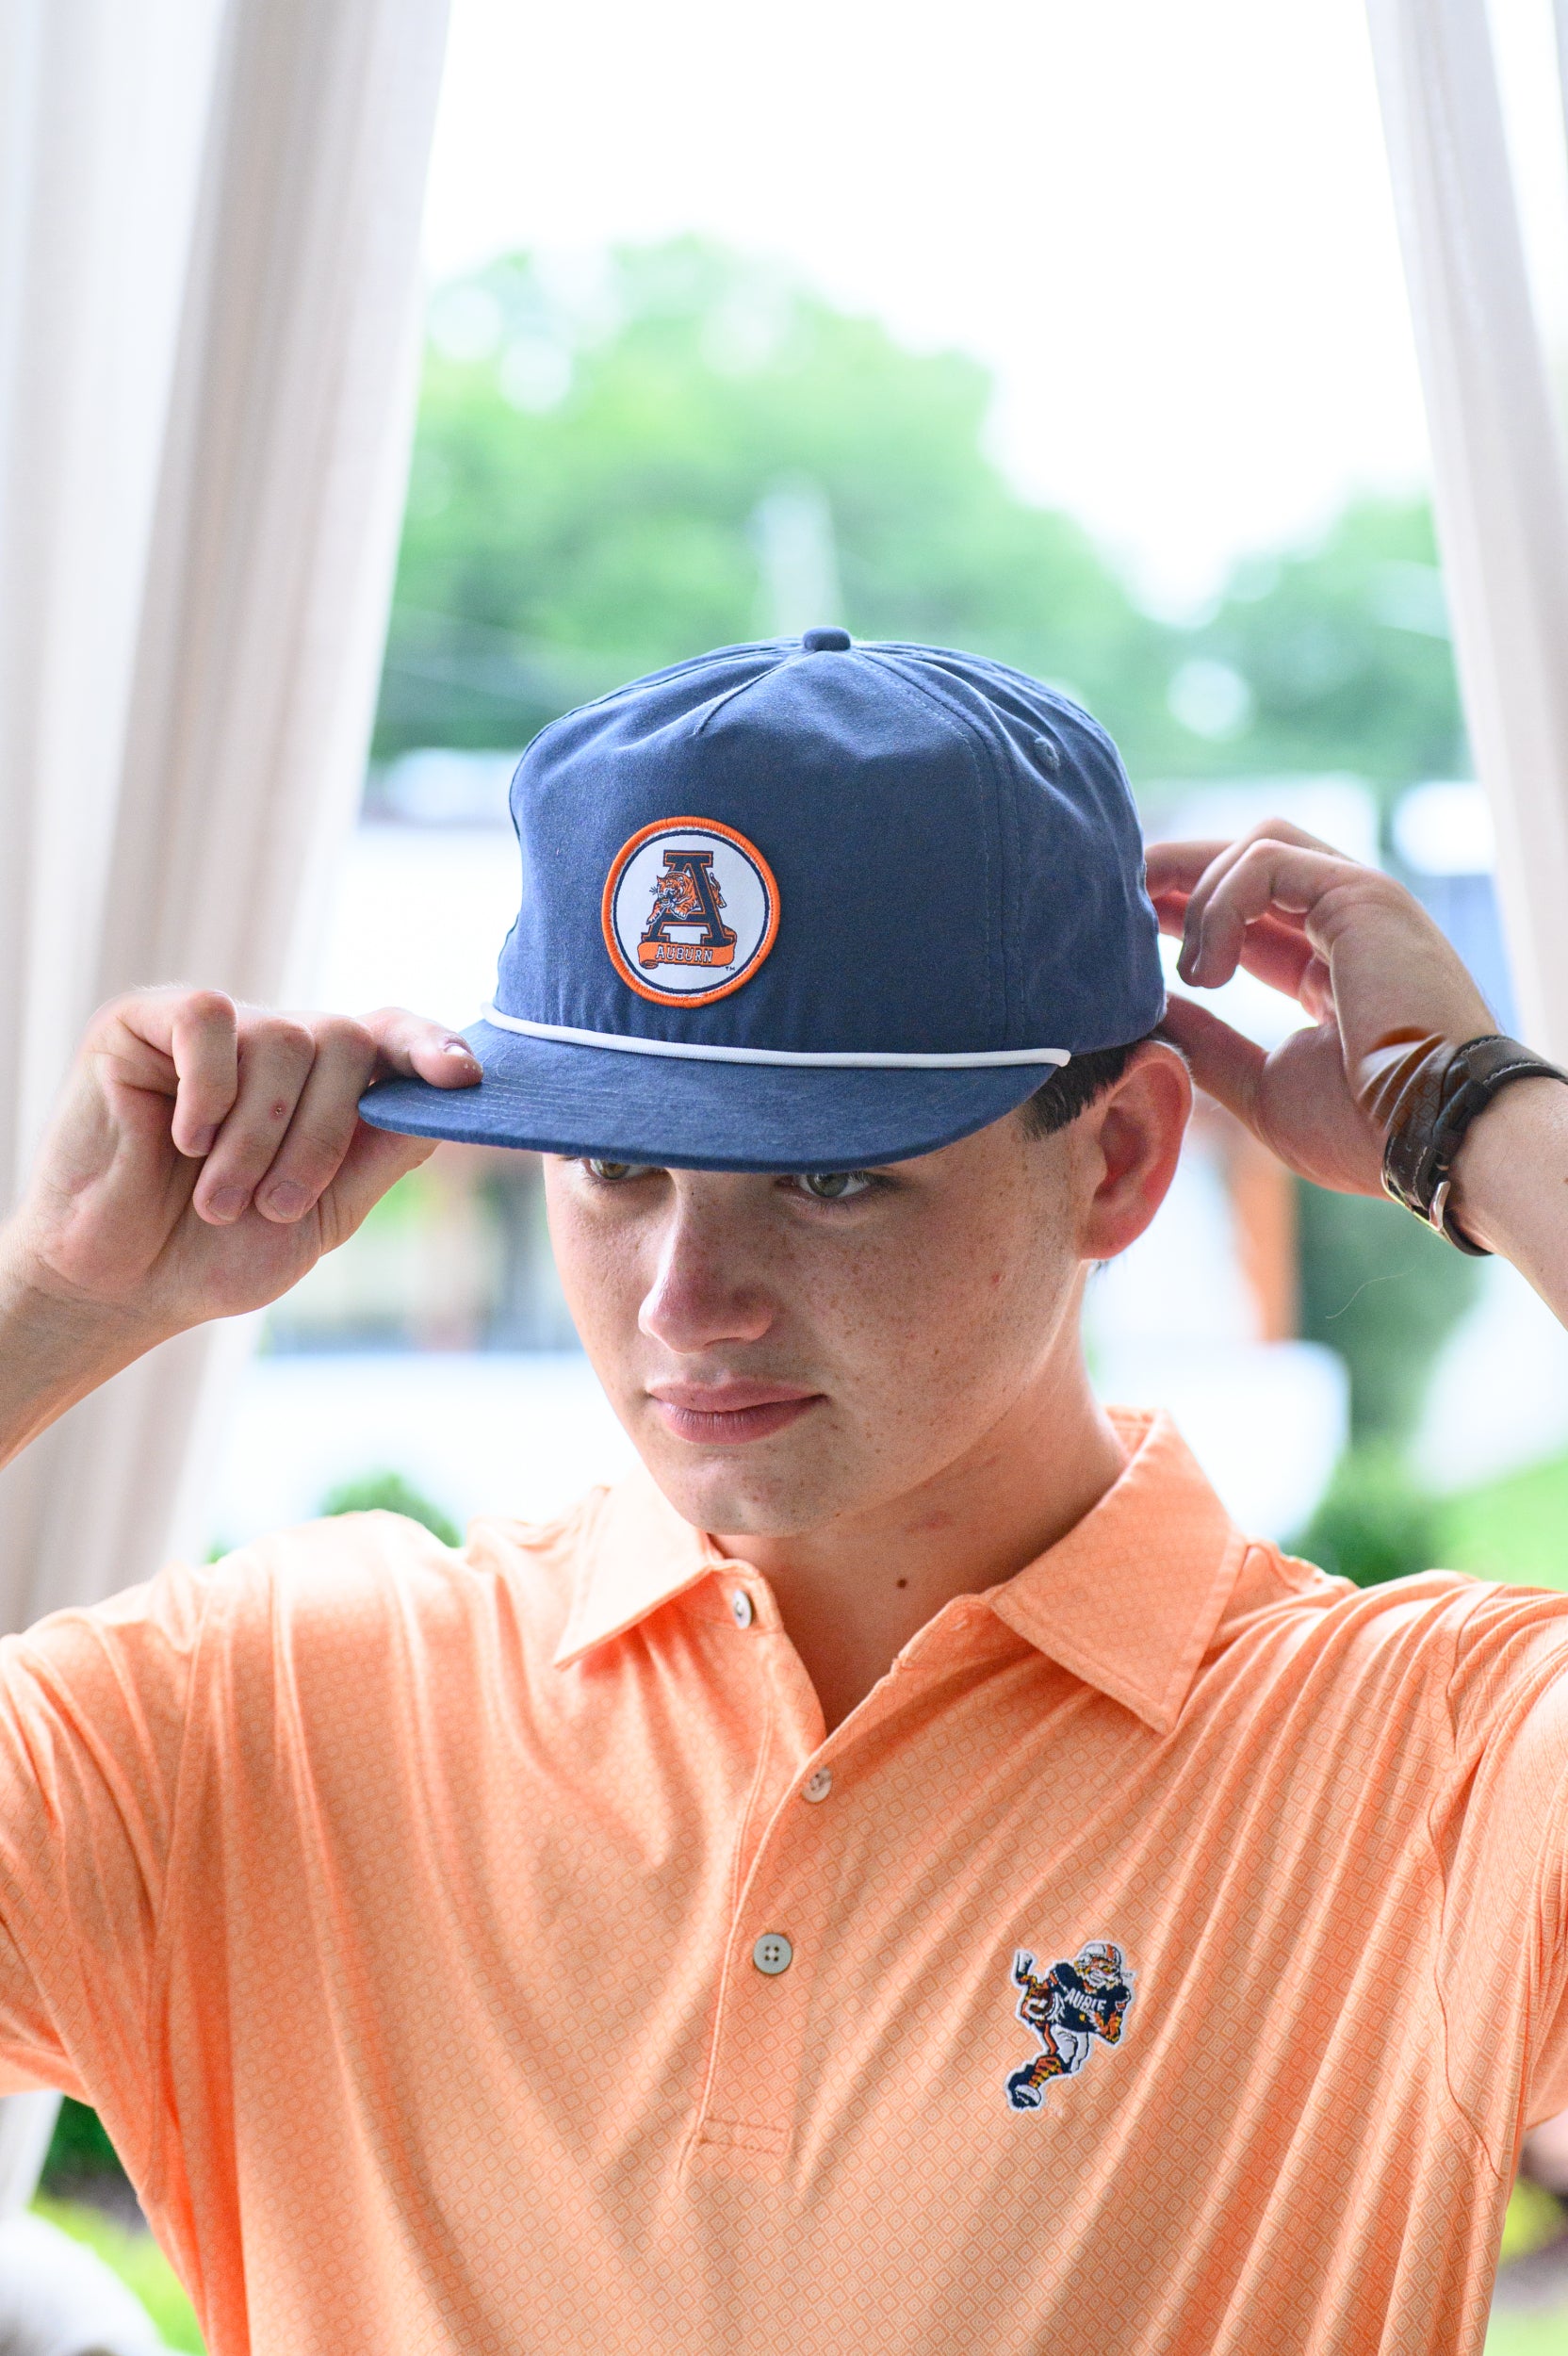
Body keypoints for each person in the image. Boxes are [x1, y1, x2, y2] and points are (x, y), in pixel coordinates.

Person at [0, 630, 1565, 2356]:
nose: (686, 1299)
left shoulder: (1430, 1762)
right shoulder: (272, 1710)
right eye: (611, 1163)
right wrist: (60, 1305)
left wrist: (1474, 1118)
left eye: (828, 1178)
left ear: (1117, 1160)